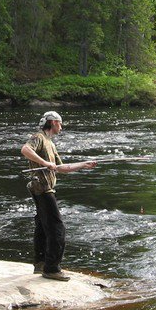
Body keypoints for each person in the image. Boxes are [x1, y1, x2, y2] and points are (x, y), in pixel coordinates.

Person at [21, 111, 96, 281]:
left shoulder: (51, 144)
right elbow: (25, 149)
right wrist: (45, 163)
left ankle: (40, 264)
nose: (61, 127)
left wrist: (84, 165)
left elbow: (62, 168)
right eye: (60, 123)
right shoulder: (38, 137)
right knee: (57, 228)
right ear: (53, 122)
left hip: (41, 188)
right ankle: (52, 268)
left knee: (42, 226)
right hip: (43, 188)